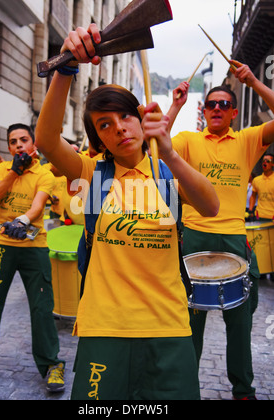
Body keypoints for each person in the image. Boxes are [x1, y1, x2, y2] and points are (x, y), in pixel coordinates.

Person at [35, 24, 219, 401]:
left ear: (139, 119)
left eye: (124, 117)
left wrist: (168, 151)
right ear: (97, 138)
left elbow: (211, 205)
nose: (118, 129)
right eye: (105, 125)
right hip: (104, 328)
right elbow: (48, 142)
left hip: (168, 328)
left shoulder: (168, 172)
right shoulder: (92, 175)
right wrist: (66, 68)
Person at [167, 60, 274, 400]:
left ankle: (243, 389)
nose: (216, 108)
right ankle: (186, 387)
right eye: (211, 104)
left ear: (233, 112)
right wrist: (175, 106)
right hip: (194, 237)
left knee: (240, 320)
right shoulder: (187, 140)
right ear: (204, 110)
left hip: (233, 238)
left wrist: (254, 81)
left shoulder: (247, 140)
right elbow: (152, 147)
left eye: (223, 104)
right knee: (191, 319)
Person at [0, 124, 65, 393]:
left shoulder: (44, 173)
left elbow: (37, 207)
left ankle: (51, 365)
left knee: (41, 307)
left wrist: (23, 219)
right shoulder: (3, 170)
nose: (18, 145)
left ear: (33, 144)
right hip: (1, 246)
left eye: (23, 140)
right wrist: (14, 171)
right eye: (13, 142)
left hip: (34, 247)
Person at [249, 153, 274, 221]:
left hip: (272, 217)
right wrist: (250, 210)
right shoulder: (256, 180)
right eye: (263, 161)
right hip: (259, 216)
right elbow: (253, 196)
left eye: (268, 161)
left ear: (273, 164)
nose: (265, 162)